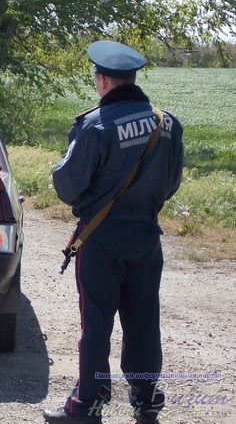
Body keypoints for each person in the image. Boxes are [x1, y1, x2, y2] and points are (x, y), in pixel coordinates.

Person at [43, 41, 184, 424]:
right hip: (146, 235)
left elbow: (68, 185)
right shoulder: (166, 122)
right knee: (143, 320)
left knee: (97, 324)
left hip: (102, 236)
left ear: (102, 80)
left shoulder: (95, 124)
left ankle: (86, 404)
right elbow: (172, 182)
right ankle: (146, 401)